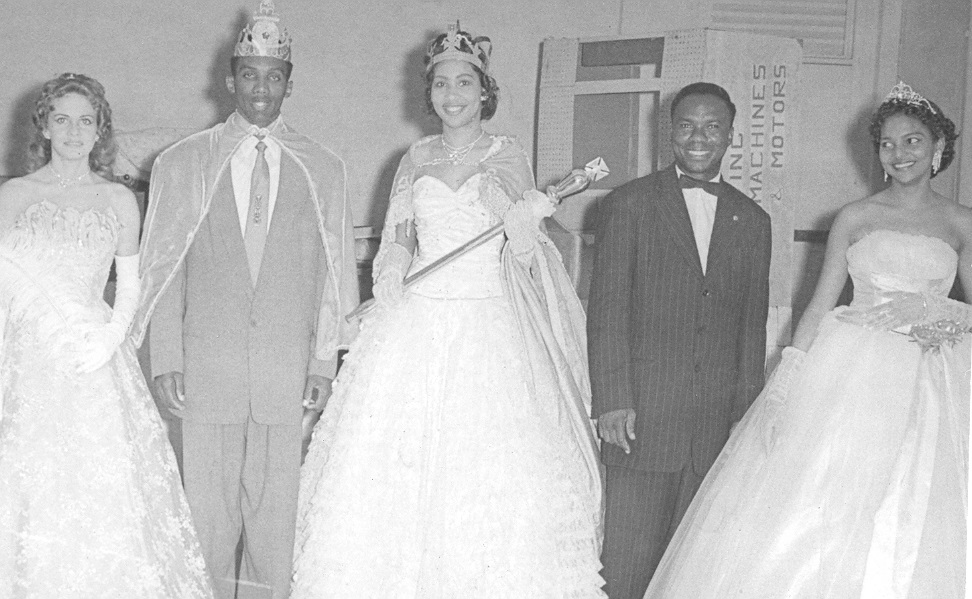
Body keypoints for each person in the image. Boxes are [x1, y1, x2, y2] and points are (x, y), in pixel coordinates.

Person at [291, 23, 605, 597]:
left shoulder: (507, 156)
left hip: (487, 322)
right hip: (417, 316)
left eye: (464, 82)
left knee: (484, 470)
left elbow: (525, 254)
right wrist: (388, 278)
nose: (452, 94)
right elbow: (400, 238)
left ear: (485, 92)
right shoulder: (412, 157)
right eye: (441, 84)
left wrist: (524, 225)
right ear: (427, 92)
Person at [645, 82, 970, 598]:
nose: (899, 153)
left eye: (912, 141)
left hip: (931, 374)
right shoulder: (856, 217)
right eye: (887, 143)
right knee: (830, 501)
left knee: (919, 499)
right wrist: (788, 378)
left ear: (937, 148)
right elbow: (820, 303)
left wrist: (937, 308)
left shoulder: (961, 223)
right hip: (853, 371)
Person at [129, 2, 359, 597]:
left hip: (287, 377)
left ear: (289, 83)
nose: (261, 87)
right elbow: (164, 268)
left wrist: (322, 364)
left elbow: (333, 275)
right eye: (250, 73)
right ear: (230, 80)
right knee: (204, 524)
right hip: (206, 375)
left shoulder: (324, 168)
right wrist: (166, 360)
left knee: (274, 530)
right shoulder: (182, 163)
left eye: (274, 75)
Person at [0, 73, 213, 597]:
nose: (74, 130)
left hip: (96, 356)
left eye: (86, 121)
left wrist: (111, 338)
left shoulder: (119, 199)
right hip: (33, 355)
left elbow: (133, 286)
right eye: (62, 119)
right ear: (45, 128)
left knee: (103, 484)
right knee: (35, 478)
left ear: (100, 132)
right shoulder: (16, 194)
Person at [587, 81, 772, 598]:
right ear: (669, 132)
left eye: (712, 127)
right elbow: (606, 313)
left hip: (714, 431)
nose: (699, 137)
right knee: (625, 571)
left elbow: (751, 329)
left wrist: (744, 416)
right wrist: (613, 401)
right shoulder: (628, 205)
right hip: (641, 421)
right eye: (687, 125)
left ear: (730, 135)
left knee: (696, 574)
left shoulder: (754, 220)